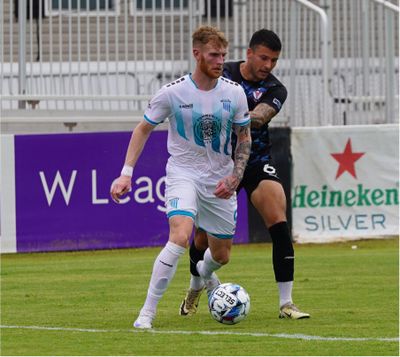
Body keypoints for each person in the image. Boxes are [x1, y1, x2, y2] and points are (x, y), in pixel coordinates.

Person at [110, 25, 252, 329]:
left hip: (220, 178)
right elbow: (142, 129)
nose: (220, 61)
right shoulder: (172, 92)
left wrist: (236, 177)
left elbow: (244, 136)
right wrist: (126, 174)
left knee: (222, 255)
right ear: (196, 53)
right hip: (183, 172)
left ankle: (203, 275)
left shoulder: (234, 92)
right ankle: (147, 312)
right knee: (179, 236)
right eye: (214, 55)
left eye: (223, 55)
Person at [179, 29, 310, 320]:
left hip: (254, 161)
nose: (268, 65)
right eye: (264, 58)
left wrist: (231, 113)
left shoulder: (276, 89)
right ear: (249, 53)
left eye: (274, 60)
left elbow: (260, 116)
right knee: (203, 240)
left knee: (279, 217)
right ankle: (196, 284)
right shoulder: (221, 71)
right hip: (216, 165)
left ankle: (286, 303)